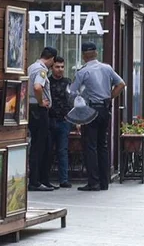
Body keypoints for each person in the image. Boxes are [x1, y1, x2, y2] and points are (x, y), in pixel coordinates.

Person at [69, 41, 126, 191]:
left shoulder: (82, 72)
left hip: (91, 110)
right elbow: (121, 84)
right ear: (96, 53)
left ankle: (93, 182)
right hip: (105, 109)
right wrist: (109, 97)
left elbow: (73, 92)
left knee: (90, 146)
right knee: (103, 145)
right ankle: (104, 181)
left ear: (83, 56)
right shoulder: (107, 68)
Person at [26, 47, 57, 192]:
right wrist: (40, 102)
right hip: (39, 111)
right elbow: (38, 87)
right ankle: (35, 181)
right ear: (51, 58)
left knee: (40, 144)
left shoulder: (32, 66)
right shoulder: (41, 70)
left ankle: (40, 179)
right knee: (40, 146)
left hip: (31, 110)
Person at [47, 55, 73, 188]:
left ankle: (64, 179)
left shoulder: (67, 82)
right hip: (50, 119)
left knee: (62, 150)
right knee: (48, 150)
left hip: (64, 120)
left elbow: (72, 100)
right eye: (57, 67)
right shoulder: (47, 81)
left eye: (62, 67)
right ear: (52, 68)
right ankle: (46, 178)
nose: (60, 69)